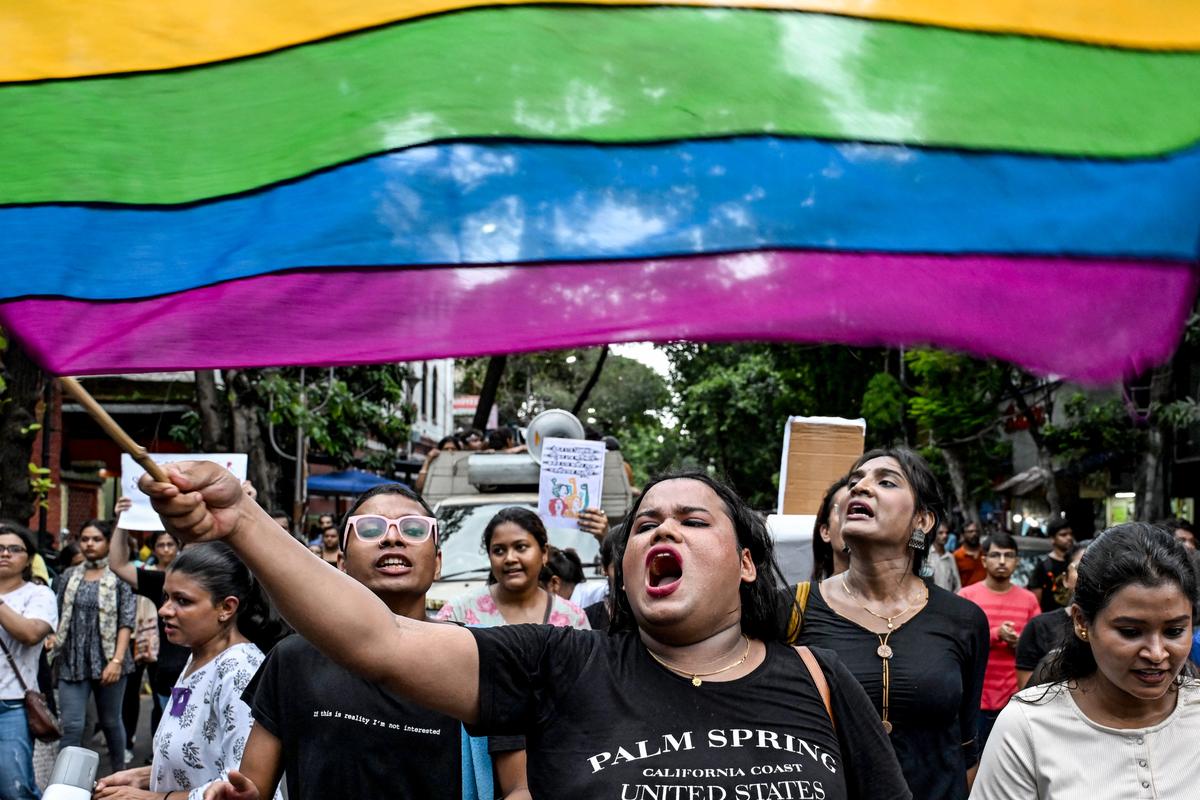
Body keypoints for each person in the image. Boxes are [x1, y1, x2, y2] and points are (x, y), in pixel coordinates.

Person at [141, 462, 913, 799]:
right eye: (644, 523)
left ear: (747, 563)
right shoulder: (560, 664)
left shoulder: (817, 679)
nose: (659, 530)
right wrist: (241, 518)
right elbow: (377, 641)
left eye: (690, 519)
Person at [202, 483, 526, 800]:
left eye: (414, 529)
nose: (392, 537)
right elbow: (254, 785)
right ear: (341, 564)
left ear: (438, 562)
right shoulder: (292, 658)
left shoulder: (479, 659)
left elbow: (519, 787)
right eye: (370, 529)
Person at [795, 448, 988, 800]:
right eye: (855, 482)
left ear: (923, 521)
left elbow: (966, 746)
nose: (860, 488)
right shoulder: (792, 609)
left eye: (885, 481)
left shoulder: (964, 620)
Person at [971, 523, 1200, 799]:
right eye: (1130, 632)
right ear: (1082, 622)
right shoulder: (1027, 728)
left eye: (1174, 631)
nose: (1156, 653)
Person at [94, 542, 283, 800]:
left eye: (183, 601)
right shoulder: (198, 656)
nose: (164, 610)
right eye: (166, 597)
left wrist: (152, 798)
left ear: (226, 608)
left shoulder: (240, 671)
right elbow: (202, 759)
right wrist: (143, 777)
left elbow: (239, 787)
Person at [53, 518, 136, 775]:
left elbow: (126, 620)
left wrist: (117, 661)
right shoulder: (68, 575)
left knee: (111, 722)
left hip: (110, 660)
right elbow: (56, 614)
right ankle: (64, 779)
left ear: (109, 543)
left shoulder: (120, 575)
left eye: (96, 539)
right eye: (85, 539)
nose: (89, 544)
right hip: (72, 660)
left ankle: (119, 775)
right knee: (72, 725)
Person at [110, 503, 191, 743]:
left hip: (213, 681)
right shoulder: (163, 580)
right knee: (173, 738)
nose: (167, 609)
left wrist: (248, 507)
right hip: (174, 680)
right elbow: (117, 565)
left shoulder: (226, 581)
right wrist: (123, 521)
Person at [436, 507, 590, 629]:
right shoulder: (458, 613)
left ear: (544, 553)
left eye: (521, 547)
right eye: (499, 551)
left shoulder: (573, 619)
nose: (509, 558)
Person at [957, 532, 1040, 751]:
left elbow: (1038, 648)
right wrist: (995, 635)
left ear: (1017, 561)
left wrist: (1020, 643)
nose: (1002, 561)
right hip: (976, 701)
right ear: (984, 560)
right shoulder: (966, 597)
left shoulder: (1029, 599)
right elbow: (958, 644)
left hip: (1017, 701)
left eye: (1008, 555)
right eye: (995, 555)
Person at [0, 522, 57, 800]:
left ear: (28, 559)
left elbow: (30, 634)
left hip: (10, 706)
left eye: (14, 549)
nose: (5, 554)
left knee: (15, 789)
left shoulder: (39, 595)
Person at [1015, 544, 1087, 690]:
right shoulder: (1040, 627)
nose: (1090, 574)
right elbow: (1027, 694)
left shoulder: (1120, 626)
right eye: (1081, 567)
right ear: (1065, 579)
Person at [1028, 519, 1076, 613]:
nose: (1069, 538)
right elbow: (1036, 600)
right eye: (1063, 535)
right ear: (1052, 539)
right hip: (1050, 620)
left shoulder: (1075, 562)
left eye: (1070, 534)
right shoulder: (1043, 565)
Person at [811, 477, 851, 581]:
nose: (854, 518)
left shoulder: (897, 596)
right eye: (843, 507)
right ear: (826, 532)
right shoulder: (801, 596)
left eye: (861, 510)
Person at [929, 521, 962, 593]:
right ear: (933, 534)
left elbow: (957, 583)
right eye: (941, 533)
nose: (945, 535)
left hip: (948, 600)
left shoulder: (950, 557)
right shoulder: (926, 555)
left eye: (947, 533)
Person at [954, 521, 987, 588]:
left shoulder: (986, 553)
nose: (974, 534)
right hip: (965, 596)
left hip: (986, 595)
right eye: (970, 532)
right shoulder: (956, 556)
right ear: (963, 535)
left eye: (976, 531)